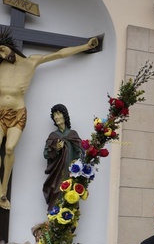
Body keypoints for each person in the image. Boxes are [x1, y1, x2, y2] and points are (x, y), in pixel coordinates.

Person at [0, 28, 99, 210]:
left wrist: (85, 46)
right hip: (0, 113)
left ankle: (2, 190)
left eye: (2, 49)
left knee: (9, 148)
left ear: (9, 46)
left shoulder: (31, 61)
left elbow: (60, 54)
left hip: (18, 112)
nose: (1, 54)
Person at [43, 104, 83, 210]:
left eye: (58, 114)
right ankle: (55, 220)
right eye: (54, 115)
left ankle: (69, 222)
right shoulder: (53, 136)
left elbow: (81, 152)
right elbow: (46, 154)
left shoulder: (72, 134)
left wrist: (76, 162)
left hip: (71, 174)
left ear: (64, 116)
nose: (56, 117)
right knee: (56, 197)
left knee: (70, 198)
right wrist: (56, 148)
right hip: (57, 176)